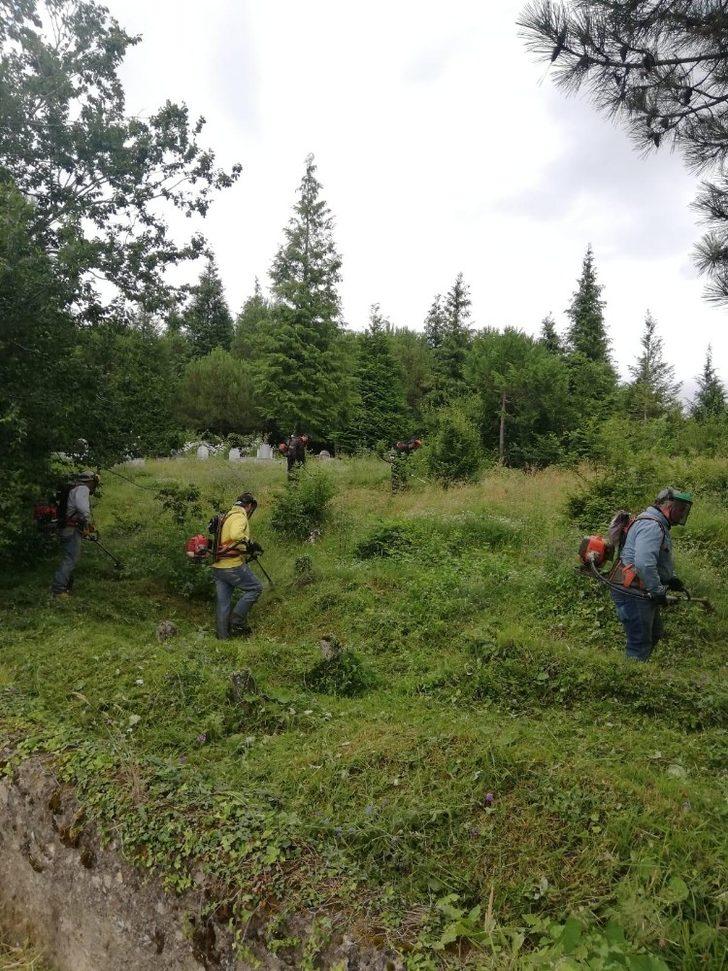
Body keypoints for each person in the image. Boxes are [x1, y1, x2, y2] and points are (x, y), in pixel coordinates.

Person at [610, 487, 693, 662]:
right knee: (639, 643)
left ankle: (637, 671)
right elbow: (644, 564)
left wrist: (670, 579)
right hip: (633, 591)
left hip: (639, 590)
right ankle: (630, 679)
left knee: (655, 634)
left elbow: (656, 560)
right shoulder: (652, 525)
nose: (683, 513)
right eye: (681, 509)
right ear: (669, 507)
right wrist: (657, 590)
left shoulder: (657, 524)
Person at [211, 492, 263, 639]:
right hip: (232, 565)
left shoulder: (227, 516)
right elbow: (235, 535)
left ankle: (223, 638)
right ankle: (237, 619)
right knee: (255, 588)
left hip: (218, 566)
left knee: (223, 604)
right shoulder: (240, 517)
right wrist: (250, 543)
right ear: (249, 506)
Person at [51, 470, 100, 597]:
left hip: (65, 526)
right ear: (91, 481)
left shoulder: (72, 488)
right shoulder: (83, 489)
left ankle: (66, 586)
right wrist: (87, 523)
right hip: (71, 528)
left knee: (69, 556)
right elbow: (83, 509)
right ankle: (59, 590)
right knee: (71, 558)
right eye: (94, 482)